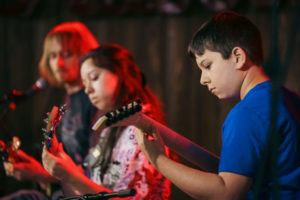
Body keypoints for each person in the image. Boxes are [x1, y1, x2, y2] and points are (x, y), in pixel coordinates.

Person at [133, 11, 300, 200]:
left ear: (238, 56)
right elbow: (237, 172)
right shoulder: (287, 98)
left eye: (207, 65)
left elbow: (227, 192)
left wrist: (157, 159)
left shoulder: (247, 114)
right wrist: (167, 138)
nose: (203, 80)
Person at [41, 43, 172, 199]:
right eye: (85, 84)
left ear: (120, 73)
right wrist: (66, 175)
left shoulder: (142, 125)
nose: (88, 90)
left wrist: (72, 177)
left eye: (94, 78)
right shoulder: (111, 127)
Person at [2, 21, 99, 199]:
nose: (59, 63)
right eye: (53, 56)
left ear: (85, 56)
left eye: (67, 54)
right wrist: (36, 166)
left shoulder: (94, 101)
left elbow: (94, 173)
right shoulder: (68, 98)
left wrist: (40, 174)